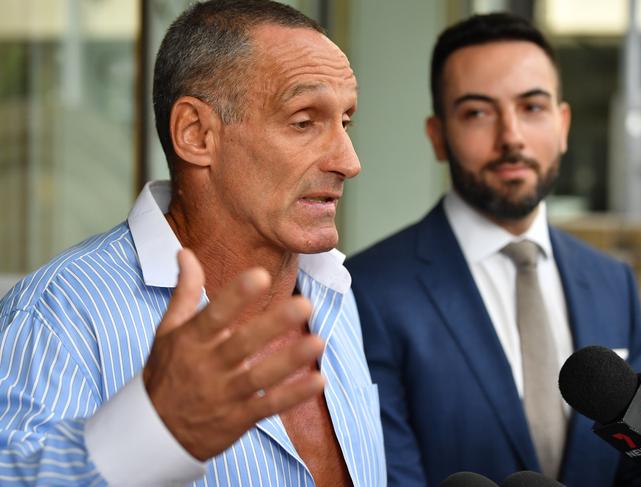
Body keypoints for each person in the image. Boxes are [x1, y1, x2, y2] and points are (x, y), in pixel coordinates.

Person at [0, 1, 386, 485]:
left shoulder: (335, 296)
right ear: (196, 134)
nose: (348, 161)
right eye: (304, 120)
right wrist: (150, 435)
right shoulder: (61, 318)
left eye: (345, 122)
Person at [346, 12, 641, 487]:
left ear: (563, 123)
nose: (511, 137)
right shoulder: (368, 291)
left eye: (532, 107)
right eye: (477, 112)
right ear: (437, 136)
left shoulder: (613, 281)